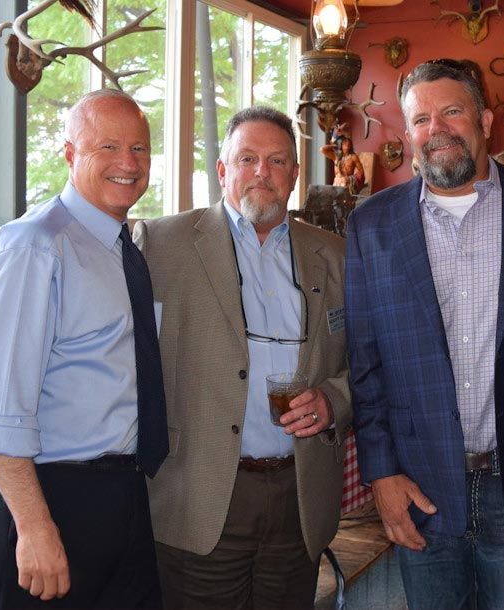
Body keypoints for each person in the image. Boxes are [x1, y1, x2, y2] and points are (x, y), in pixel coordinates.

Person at [345, 59, 504, 610]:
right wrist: (381, 474)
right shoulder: (371, 225)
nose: (437, 129)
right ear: (407, 134)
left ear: (486, 119)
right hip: (421, 489)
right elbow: (366, 363)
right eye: (421, 118)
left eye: (452, 111)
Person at [133, 106, 351, 610]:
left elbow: (364, 364)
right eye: (247, 158)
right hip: (201, 494)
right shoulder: (160, 245)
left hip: (298, 496)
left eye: (277, 161)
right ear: (222, 169)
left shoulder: (335, 255)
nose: (261, 172)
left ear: (296, 174)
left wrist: (334, 400)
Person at [0, 89, 165, 610]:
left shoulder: (120, 249)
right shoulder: (34, 247)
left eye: (139, 148)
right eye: (108, 147)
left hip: (122, 497)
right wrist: (35, 528)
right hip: (47, 501)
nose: (128, 163)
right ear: (70, 154)